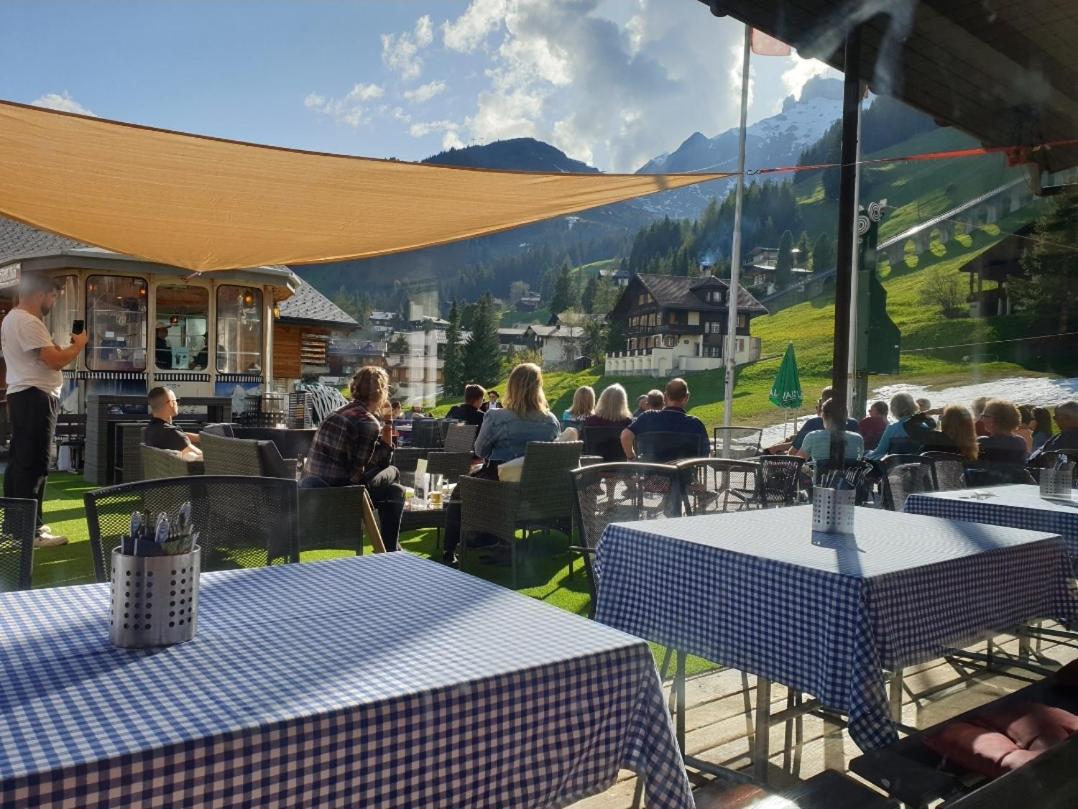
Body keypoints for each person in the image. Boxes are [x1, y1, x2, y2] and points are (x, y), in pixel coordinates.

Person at [441, 363, 561, 567]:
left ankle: (449, 550)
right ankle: (489, 540)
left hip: (498, 484)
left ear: (511, 386)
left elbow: (480, 451)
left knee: (460, 490)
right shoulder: (551, 421)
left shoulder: (497, 416)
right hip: (534, 490)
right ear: (538, 387)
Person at [2, 275, 88, 546]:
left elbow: (48, 356)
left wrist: (65, 349)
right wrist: (78, 345)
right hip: (35, 396)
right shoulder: (28, 322)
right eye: (53, 296)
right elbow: (54, 361)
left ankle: (16, 526)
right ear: (41, 294)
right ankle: (29, 532)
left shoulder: (13, 319)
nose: (54, 302)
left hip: (24, 394)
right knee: (34, 463)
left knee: (20, 462)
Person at [301, 366, 405, 551]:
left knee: (394, 490)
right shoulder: (368, 422)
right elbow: (363, 472)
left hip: (313, 491)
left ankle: (391, 548)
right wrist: (388, 422)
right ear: (382, 392)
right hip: (342, 495)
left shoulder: (337, 412)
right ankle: (390, 550)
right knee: (394, 473)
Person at [621, 378, 709, 461]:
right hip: (684, 472)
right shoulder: (696, 424)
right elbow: (704, 456)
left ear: (665, 396)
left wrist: (631, 458)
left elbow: (625, 436)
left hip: (652, 471)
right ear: (686, 397)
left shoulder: (648, 417)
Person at [789, 387, 859, 454]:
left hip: (814, 461)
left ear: (823, 404)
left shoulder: (813, 423)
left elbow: (793, 452)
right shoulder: (853, 424)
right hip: (849, 462)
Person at [794, 398, 864, 463]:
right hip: (849, 473)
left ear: (824, 416)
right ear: (846, 416)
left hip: (820, 472)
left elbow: (798, 462)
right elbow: (859, 459)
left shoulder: (812, 437)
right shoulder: (858, 439)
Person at [143, 387, 203, 461]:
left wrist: (201, 438)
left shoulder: (150, 429)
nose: (177, 404)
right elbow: (204, 459)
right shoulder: (172, 433)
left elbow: (177, 436)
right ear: (171, 403)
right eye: (176, 401)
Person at [865, 393, 922, 460]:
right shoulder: (925, 426)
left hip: (896, 465)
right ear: (913, 406)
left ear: (894, 409)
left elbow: (879, 452)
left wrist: (866, 454)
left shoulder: (892, 428)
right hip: (920, 464)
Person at [977, 399, 1028, 464]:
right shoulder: (1020, 441)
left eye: (984, 416)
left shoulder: (982, 443)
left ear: (993, 420)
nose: (981, 419)